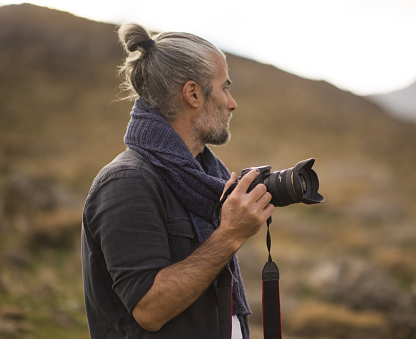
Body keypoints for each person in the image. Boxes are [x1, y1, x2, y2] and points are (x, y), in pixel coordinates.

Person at [81, 22, 275, 339]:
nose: (232, 102)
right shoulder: (127, 182)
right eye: (225, 87)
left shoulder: (203, 178)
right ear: (193, 93)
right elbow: (148, 309)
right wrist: (229, 235)